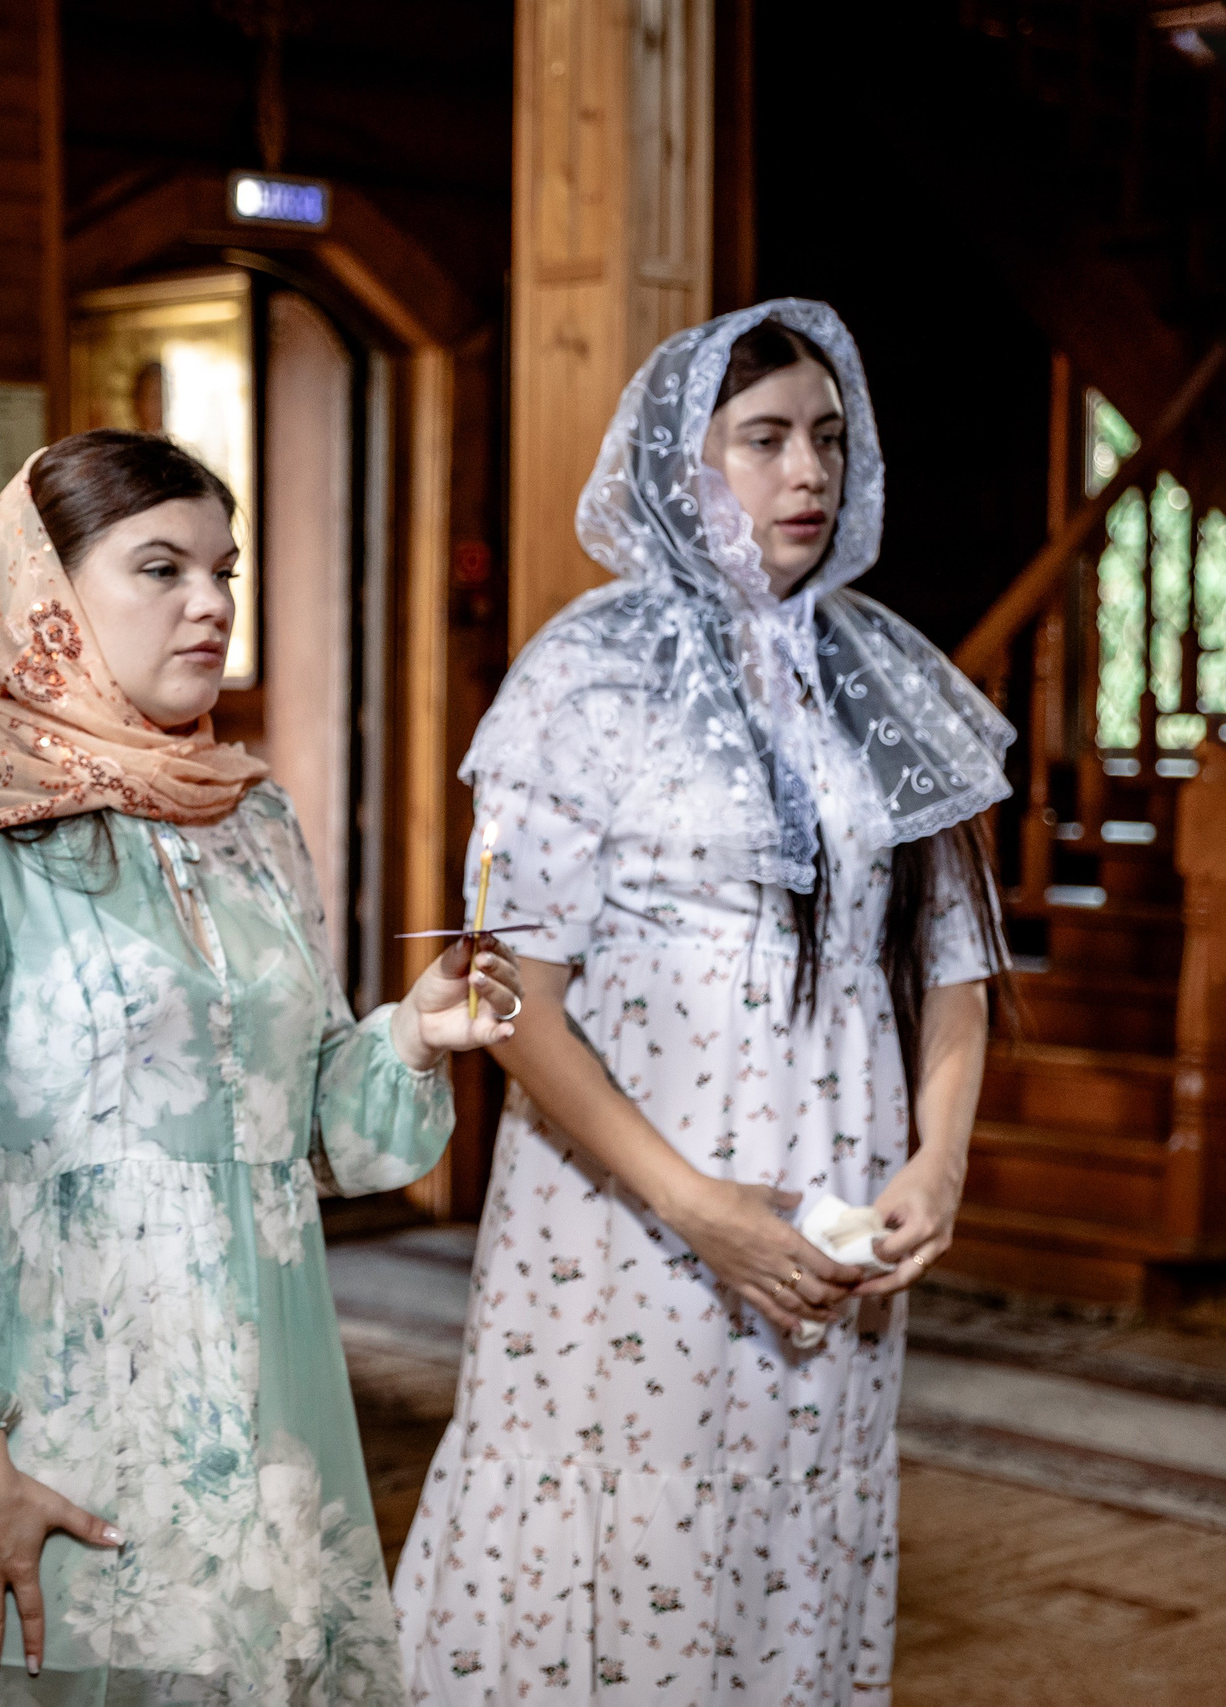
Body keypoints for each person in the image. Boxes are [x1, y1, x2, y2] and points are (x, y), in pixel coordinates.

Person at [0, 429, 524, 1707]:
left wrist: (412, 1034)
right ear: (47, 594)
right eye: (161, 569)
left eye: (226, 570)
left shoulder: (250, 815)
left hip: (264, 1405)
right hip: (44, 1423)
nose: (209, 603)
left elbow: (318, 1116)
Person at [391, 301, 1008, 1704]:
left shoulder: (881, 671)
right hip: (631, 1209)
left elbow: (954, 954)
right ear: (683, 465)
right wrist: (692, 1202)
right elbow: (514, 993)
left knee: (793, 1528)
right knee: (629, 1532)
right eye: (765, 439)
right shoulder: (585, 672)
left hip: (833, 1202)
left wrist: (939, 1156)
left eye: (829, 442)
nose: (807, 474)